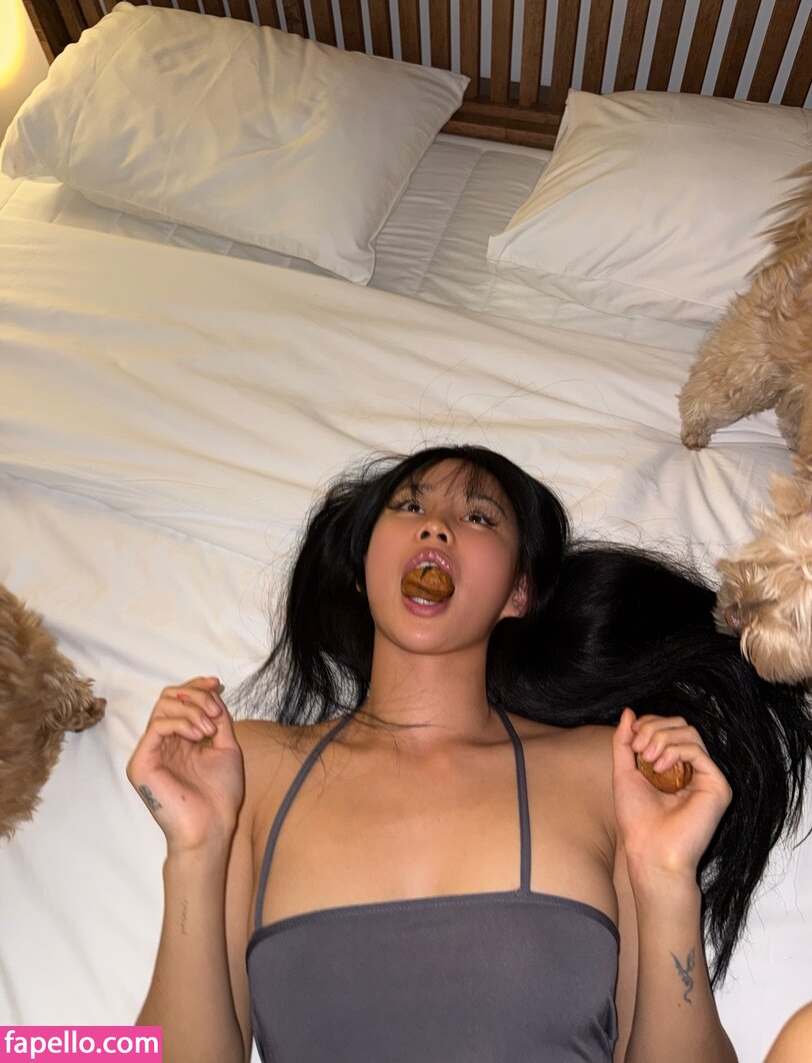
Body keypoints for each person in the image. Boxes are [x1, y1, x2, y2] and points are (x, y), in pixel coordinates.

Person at [127, 444, 811, 1063]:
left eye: (479, 517)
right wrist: (193, 850)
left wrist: (667, 878)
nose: (436, 526)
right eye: (409, 506)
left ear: (518, 592)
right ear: (363, 568)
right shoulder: (248, 766)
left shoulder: (605, 769)